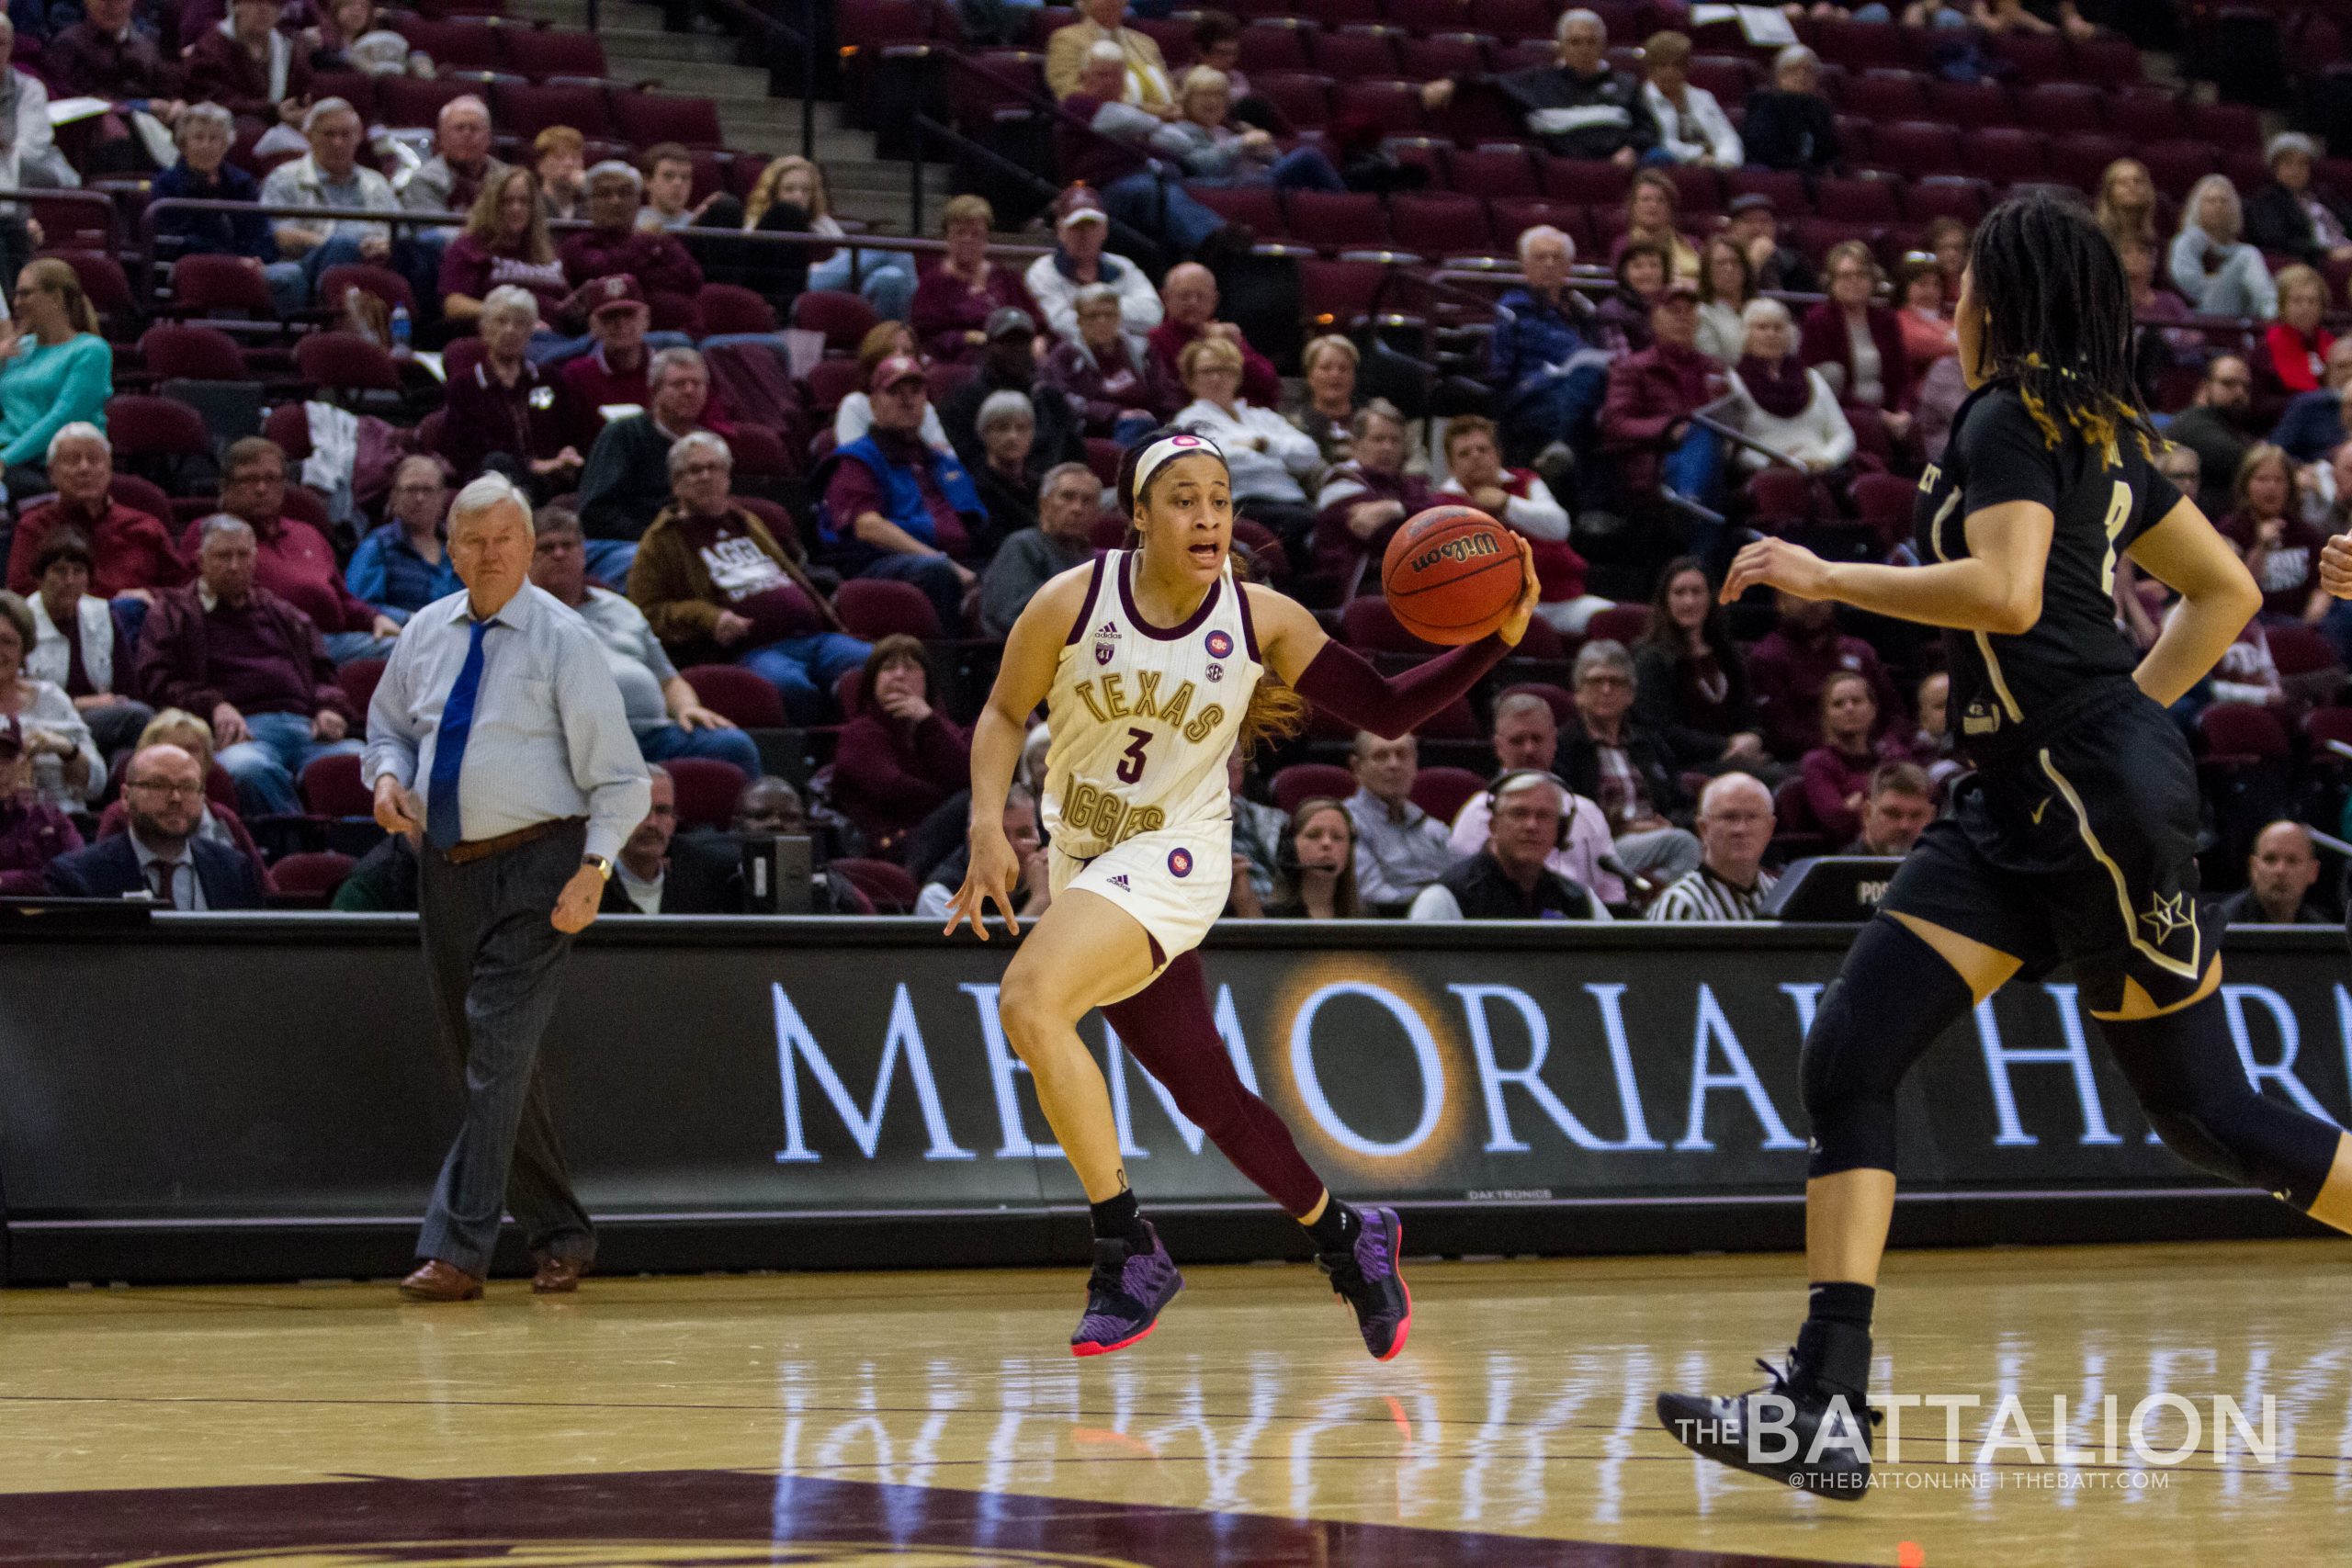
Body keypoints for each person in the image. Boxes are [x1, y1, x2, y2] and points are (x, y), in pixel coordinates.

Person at [1657, 194, 2349, 1498]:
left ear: (2003, 301)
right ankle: (1826, 1395)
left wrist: (1828, 574)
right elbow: (2228, 591)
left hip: (2084, 796)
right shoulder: (2093, 424)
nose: (1955, 300)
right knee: (1851, 1050)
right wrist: (2135, 708)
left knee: (2212, 1114)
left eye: (1967, 280)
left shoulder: (2006, 416)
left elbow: (2010, 590)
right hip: (2024, 791)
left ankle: (1826, 1391)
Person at [942, 424, 1544, 1359]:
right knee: (1209, 1094)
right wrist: (987, 818)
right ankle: (1348, 1238)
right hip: (1088, 862)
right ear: (1138, 516)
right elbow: (1001, 711)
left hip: (1179, 858)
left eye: (1220, 500)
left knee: (1028, 1001)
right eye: (1183, 499)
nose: (1208, 516)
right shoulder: (1071, 600)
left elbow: (1385, 707)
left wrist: (1491, 643)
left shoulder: (1263, 618)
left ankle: (1124, 1247)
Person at [365, 473, 650, 1303]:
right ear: (449, 549)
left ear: (530, 547)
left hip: (542, 864)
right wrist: (385, 776)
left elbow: (623, 781)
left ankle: (458, 1248)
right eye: (472, 541)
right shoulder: (422, 631)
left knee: (494, 1050)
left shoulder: (565, 640)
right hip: (443, 867)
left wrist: (594, 872)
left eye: (504, 540)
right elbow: (386, 727)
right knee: (487, 1062)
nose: (489, 555)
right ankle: (561, 1231)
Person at [628, 432, 869, 723]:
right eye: (694, 470)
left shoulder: (746, 521)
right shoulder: (660, 541)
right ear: (676, 483)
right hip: (752, 652)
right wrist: (709, 617)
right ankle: (815, 759)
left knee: (879, 665)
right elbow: (647, 612)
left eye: (713, 467)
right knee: (791, 688)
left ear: (728, 477)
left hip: (813, 638)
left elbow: (790, 573)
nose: (705, 476)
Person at [134, 514, 362, 817]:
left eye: (242, 556)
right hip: (241, 731)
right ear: (200, 560)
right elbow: (156, 680)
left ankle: (351, 857)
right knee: (246, 769)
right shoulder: (174, 612)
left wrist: (329, 707)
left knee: (363, 760)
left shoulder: (283, 614)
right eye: (223, 556)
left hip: (306, 727)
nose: (234, 565)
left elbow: (325, 674)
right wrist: (214, 705)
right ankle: (299, 850)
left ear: (255, 560)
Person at [525, 506, 758, 775]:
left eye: (568, 545)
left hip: (653, 735)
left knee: (734, 747)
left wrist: (687, 707)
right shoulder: (516, 617)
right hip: (575, 742)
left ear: (583, 552)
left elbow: (669, 679)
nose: (559, 554)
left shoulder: (621, 608)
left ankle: (752, 817)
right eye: (546, 548)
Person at [190, 436, 401, 662]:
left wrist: (373, 619)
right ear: (226, 487)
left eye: (271, 479)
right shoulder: (210, 534)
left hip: (333, 640)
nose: (261, 489)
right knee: (399, 653)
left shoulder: (308, 534)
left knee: (419, 640)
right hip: (264, 646)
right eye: (249, 479)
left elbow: (343, 598)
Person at [816, 355, 982, 633]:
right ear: (873, 403)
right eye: (894, 392)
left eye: (916, 392)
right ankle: (946, 666)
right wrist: (943, 561)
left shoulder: (937, 459)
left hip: (952, 557)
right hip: (882, 564)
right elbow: (868, 527)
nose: (908, 400)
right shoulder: (858, 458)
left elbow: (973, 522)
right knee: (937, 574)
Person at [1435, 414, 1611, 635]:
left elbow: (1559, 527)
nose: (1476, 457)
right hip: (1500, 610)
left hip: (1563, 600)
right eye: (1464, 453)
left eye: (1483, 449)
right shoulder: (1443, 504)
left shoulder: (1526, 480)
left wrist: (1507, 503)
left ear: (1498, 454)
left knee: (1619, 620)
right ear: (1451, 467)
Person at [1555, 638, 1702, 891]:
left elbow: (1680, 801)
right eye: (1595, 681)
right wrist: (1626, 826)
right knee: (1684, 846)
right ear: (1578, 693)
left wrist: (1668, 822)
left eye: (1616, 682)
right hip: (1599, 847)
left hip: (1657, 838)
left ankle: (1643, 896)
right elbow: (1568, 815)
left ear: (1631, 694)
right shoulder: (1566, 746)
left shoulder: (1648, 743)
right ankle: (1652, 903)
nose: (1606, 689)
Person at [44, 741, 263, 907]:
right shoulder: (79, 877)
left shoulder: (234, 870)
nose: (176, 798)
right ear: (126, 797)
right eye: (158, 785)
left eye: (188, 786)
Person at [574, 346, 714, 584]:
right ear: (655, 392)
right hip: (622, 545)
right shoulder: (623, 434)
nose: (689, 391)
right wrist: (660, 540)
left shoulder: (706, 443)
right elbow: (595, 511)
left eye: (696, 384)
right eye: (679, 384)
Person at [1171, 335, 1322, 551]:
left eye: (1225, 370)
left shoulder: (1262, 417)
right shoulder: (1188, 420)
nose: (1217, 378)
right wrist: (1279, 457)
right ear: (1190, 379)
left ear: (1237, 376)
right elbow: (1222, 461)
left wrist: (1262, 445)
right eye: (1207, 371)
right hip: (1243, 504)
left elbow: (1309, 454)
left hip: (1292, 498)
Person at [6, 423, 187, 600]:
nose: (84, 468)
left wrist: (149, 596)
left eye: (94, 459)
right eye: (72, 460)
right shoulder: (35, 527)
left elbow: (182, 591)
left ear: (109, 468)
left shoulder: (146, 527)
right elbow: (21, 596)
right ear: (52, 474)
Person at [258, 98, 402, 317]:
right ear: (309, 136)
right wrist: (333, 243)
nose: (337, 142)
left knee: (423, 246)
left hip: (374, 262)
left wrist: (386, 244)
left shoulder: (376, 182)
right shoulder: (284, 178)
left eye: (345, 135)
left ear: (358, 137)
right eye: (328, 134)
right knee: (342, 244)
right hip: (309, 262)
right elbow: (277, 233)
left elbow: (399, 231)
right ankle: (331, 323)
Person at [832, 634, 968, 859]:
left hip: (948, 840)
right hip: (891, 844)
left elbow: (965, 774)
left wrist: (927, 723)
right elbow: (893, 789)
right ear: (872, 681)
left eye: (911, 667)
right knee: (970, 801)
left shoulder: (940, 726)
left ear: (927, 681)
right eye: (888, 668)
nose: (899, 675)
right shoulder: (859, 734)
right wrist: (949, 798)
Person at [1600, 279, 1727, 517]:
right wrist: (1671, 427)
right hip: (1657, 457)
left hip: (1718, 453)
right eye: (1674, 311)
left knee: (1713, 434)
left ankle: (1693, 509)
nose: (1683, 317)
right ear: (1654, 320)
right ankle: (1690, 507)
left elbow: (1728, 414)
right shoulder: (1633, 368)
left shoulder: (1714, 368)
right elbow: (1616, 423)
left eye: (1689, 311)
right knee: (1702, 431)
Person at [1489, 225, 1612, 468]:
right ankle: (1558, 445)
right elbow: (1501, 368)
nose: (1549, 263)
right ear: (1524, 265)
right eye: (1540, 257)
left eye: (1557, 258)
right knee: (1587, 369)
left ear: (1568, 267)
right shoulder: (1513, 308)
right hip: (1533, 390)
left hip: (1582, 388)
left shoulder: (1581, 310)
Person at [1410, 770, 1604, 919]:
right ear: (1493, 827)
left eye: (1544, 816)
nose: (1531, 825)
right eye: (1519, 814)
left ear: (1559, 830)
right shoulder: (1447, 898)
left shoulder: (1577, 899)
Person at [23, 530, 151, 755]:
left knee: (126, 757)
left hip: (103, 721)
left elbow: (128, 688)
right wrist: (84, 703)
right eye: (59, 571)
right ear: (40, 577)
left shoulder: (103, 615)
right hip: (46, 724)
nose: (70, 581)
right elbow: (21, 695)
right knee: (139, 718)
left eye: (78, 571)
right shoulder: (23, 620)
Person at [1633, 555, 1765, 772]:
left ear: (1711, 598)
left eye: (1697, 592)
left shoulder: (1728, 653)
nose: (1689, 602)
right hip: (1684, 767)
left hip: (1736, 758)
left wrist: (1754, 737)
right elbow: (1661, 731)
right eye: (1679, 593)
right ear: (1665, 600)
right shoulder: (1651, 659)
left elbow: (1748, 714)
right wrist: (1727, 746)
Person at [745, 155, 915, 320]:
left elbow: (841, 258)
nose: (798, 196)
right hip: (801, 289)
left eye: (806, 190)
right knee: (895, 250)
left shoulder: (823, 224)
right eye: (789, 189)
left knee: (892, 277)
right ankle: (909, 334)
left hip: (839, 286)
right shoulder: (762, 224)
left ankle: (887, 343)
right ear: (773, 193)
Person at [0, 258, 111, 498]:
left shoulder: (91, 351)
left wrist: (4, 460)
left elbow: (61, 418)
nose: (16, 303)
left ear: (56, 298)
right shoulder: (18, 349)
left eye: (26, 294)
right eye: (16, 295)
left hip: (48, 464)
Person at [1748, 591, 1900, 761]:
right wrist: (1844, 750)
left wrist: (1889, 745)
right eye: (1800, 594)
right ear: (1780, 602)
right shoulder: (1768, 656)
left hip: (1874, 754)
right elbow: (1781, 730)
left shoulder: (1860, 651)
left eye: (1820, 592)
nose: (1812, 602)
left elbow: (1894, 714)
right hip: (1807, 760)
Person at [1497, 8, 1656, 168]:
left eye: (1591, 41)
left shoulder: (1625, 84)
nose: (1584, 49)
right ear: (1560, 46)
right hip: (1559, 172)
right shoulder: (1535, 82)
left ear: (1603, 45)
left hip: (1616, 170)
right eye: (1575, 42)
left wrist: (1632, 149)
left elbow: (1647, 129)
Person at [942, 307, 1086, 484]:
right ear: (989, 346)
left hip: (1056, 493)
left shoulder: (1050, 398)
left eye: (1023, 341)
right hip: (997, 495)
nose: (1017, 349)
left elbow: (1075, 456)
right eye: (1007, 342)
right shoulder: (964, 401)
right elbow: (966, 463)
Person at [1148, 67, 1345, 193]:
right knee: (1307, 156)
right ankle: (1351, 207)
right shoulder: (1179, 131)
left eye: (1219, 95)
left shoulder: (1227, 130)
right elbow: (1202, 167)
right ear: (1188, 100)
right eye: (1205, 95)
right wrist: (1242, 143)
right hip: (1231, 189)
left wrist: (1268, 152)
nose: (1213, 102)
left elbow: (1276, 161)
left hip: (1257, 183)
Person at [1726, 299, 1856, 479]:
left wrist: (1826, 460)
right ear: (1746, 335)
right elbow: (1735, 449)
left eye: (1778, 328)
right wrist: (1775, 463)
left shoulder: (1812, 378)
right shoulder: (1732, 381)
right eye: (1762, 327)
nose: (1771, 334)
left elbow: (1843, 433)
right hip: (1769, 477)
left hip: (1823, 471)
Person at [1803, 243, 1913, 447]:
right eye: (1845, 275)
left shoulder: (1885, 319)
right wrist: (1879, 416)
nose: (1854, 281)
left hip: (1889, 412)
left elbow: (1902, 377)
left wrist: (1903, 411)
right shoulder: (1818, 320)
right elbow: (1825, 386)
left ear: (1872, 280)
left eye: (1861, 275)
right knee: (1869, 428)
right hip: (1843, 411)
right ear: (1831, 281)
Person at [909, 196, 1041, 367]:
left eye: (976, 234)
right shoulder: (932, 283)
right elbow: (924, 338)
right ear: (947, 237)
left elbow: (1035, 322)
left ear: (986, 238)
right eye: (960, 232)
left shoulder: (1005, 277)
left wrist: (1040, 340)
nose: (968, 239)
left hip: (1011, 359)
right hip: (955, 364)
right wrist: (966, 338)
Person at [1043, 282, 1180, 444]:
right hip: (1093, 431)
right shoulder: (1065, 356)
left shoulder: (1141, 350)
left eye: (1109, 314)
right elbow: (1065, 400)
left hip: (1146, 425)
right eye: (1093, 316)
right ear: (1079, 321)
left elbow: (1163, 393)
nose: (1102, 321)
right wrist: (1116, 414)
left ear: (1119, 317)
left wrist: (1173, 422)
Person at [1312, 400, 1430, 589]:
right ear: (1355, 445)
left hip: (1403, 581)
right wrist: (1410, 512)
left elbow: (1435, 519)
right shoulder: (1339, 481)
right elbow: (1376, 532)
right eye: (1378, 439)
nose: (1387, 447)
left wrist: (1396, 509)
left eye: (1395, 440)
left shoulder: (1409, 484)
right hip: (1352, 592)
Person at [0, 589, 100, 808]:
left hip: (62, 824)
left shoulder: (51, 698)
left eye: (6, 641)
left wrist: (66, 750)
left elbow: (96, 785)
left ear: (24, 648)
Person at [1025, 186, 1162, 344]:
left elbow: (1153, 314)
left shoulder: (1124, 267)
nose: (1085, 235)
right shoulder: (1042, 271)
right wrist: (1117, 316)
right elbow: (1059, 324)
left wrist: (1091, 311)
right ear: (1060, 231)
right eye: (1076, 227)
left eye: (1092, 226)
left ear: (1104, 230)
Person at [558, 161, 703, 309]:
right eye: (604, 194)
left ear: (638, 201)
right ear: (588, 203)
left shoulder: (660, 242)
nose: (615, 201)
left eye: (624, 193)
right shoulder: (576, 246)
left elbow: (692, 280)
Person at [438, 167, 568, 331]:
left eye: (524, 201)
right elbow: (454, 305)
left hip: (555, 337)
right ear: (491, 206)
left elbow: (564, 300)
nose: (516, 208)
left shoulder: (548, 250)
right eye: (507, 201)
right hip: (502, 336)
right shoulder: (468, 248)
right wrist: (510, 314)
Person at [151, 103, 275, 269]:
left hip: (251, 268)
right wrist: (233, 262)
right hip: (197, 269)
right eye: (198, 138)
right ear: (183, 145)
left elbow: (261, 233)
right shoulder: (166, 185)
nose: (206, 146)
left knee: (290, 274)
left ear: (225, 144)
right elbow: (176, 242)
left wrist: (257, 259)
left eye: (214, 138)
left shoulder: (243, 182)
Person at [980, 462, 1097, 639]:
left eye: (1087, 501)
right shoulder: (1023, 545)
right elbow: (1010, 617)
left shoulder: (1088, 558)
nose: (1077, 508)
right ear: (1044, 503)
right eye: (1067, 497)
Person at [1341, 730, 1454, 910]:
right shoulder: (1345, 823)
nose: (1394, 764)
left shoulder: (1432, 828)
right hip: (1386, 929)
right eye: (1381, 756)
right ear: (1356, 768)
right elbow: (1374, 896)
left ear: (1415, 763)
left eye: (1402, 755)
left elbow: (1461, 884)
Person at [2219, 444, 2328, 625]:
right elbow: (2238, 593)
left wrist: (2314, 613)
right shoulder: (2230, 531)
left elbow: (2321, 585)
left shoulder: (2305, 533)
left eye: (2279, 480)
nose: (2271, 488)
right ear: (2246, 484)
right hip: (2250, 623)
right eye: (2262, 480)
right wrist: (2261, 547)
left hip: (2299, 624)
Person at [1148, 262, 1280, 410]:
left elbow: (1270, 384)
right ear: (1165, 298)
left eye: (1201, 296)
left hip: (1246, 417)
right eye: (1184, 296)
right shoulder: (1156, 339)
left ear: (1214, 300)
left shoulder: (1226, 334)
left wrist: (1234, 348)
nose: (1193, 303)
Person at [1645, 772, 1775, 920]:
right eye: (1729, 817)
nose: (1741, 829)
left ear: (1770, 828)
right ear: (1703, 828)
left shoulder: (1782, 894)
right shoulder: (1680, 905)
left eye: (1752, 817)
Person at [915, 784, 1051, 922]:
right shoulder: (940, 896)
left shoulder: (1053, 881)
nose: (1011, 847)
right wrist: (1040, 902)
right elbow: (988, 945)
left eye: (1024, 834)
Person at [346, 457, 461, 619]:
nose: (420, 498)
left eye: (428, 490)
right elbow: (359, 607)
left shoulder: (459, 549)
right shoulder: (377, 546)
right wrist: (411, 620)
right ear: (395, 497)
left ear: (442, 497)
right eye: (411, 489)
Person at [1795, 669, 1894, 845]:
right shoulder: (1817, 763)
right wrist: (1878, 798)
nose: (1849, 708)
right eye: (1838, 704)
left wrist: (1859, 799)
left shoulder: (1891, 757)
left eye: (1856, 701)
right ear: (1826, 716)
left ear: (1873, 710)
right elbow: (1837, 820)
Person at [184, 0, 311, 134]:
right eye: (255, 3)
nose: (264, 10)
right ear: (236, 6)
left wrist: (299, 108)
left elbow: (304, 88)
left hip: (284, 127)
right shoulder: (210, 49)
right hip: (228, 131)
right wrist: (272, 111)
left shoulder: (286, 49)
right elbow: (214, 101)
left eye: (273, 4)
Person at [2170, 175, 2278, 321]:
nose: (2218, 206)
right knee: (2248, 254)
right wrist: (2220, 283)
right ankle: (2273, 314)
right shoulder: (2187, 241)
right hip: (2199, 312)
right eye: (2211, 201)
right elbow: (2187, 286)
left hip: (2240, 312)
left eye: (2224, 201)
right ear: (2197, 207)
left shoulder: (2237, 249)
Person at [2164, 355, 2256, 519]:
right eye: (2228, 383)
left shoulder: (2233, 427)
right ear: (2205, 387)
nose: (2239, 392)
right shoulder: (2193, 423)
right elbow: (2239, 458)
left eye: (2246, 387)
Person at [2245, 133, 2352, 274]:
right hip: (2316, 261)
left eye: (2302, 163)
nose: (2296, 170)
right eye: (2289, 164)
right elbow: (2278, 241)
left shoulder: (2324, 194)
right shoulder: (2264, 201)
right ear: (2274, 168)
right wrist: (2327, 253)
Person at [1043, 0, 1173, 109]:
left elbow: (1173, 93)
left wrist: (1180, 110)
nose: (1113, 1)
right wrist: (1153, 112)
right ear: (1084, 3)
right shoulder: (1066, 39)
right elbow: (1070, 95)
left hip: (1172, 123)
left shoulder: (1146, 43)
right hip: (1112, 129)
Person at [0, 717, 81, 893]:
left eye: (6, 758)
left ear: (21, 764)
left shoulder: (48, 816)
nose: (0, 769)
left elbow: (78, 870)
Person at [1247, 796, 1362, 919]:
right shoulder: (1272, 918)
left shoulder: (1367, 918)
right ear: (1290, 847)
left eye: (1337, 837)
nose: (1327, 843)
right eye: (1313, 835)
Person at [400, 96, 507, 226]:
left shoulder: (507, 179)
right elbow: (431, 236)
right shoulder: (424, 180)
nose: (467, 134)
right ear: (441, 137)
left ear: (489, 137)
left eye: (474, 128)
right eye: (459, 128)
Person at [1641, 30, 1739, 168]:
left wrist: (1726, 161)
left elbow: (1727, 136)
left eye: (1677, 65)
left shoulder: (1703, 97)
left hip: (1714, 165)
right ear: (1650, 67)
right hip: (1673, 164)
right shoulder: (1641, 98)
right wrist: (1698, 157)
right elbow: (1660, 141)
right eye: (1662, 65)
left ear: (1687, 67)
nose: (1669, 72)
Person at [1741, 45, 1839, 175]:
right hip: (1776, 174)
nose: (1801, 76)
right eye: (1793, 70)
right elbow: (1764, 150)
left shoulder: (1819, 108)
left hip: (1810, 175)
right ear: (1778, 76)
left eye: (1808, 71)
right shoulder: (1765, 103)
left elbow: (1830, 152)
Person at [2216, 819, 2329, 925]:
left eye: (2292, 861)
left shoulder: (2322, 929)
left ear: (2313, 871)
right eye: (2270, 859)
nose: (2280, 870)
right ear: (2253, 868)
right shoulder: (2223, 927)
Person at [2268, 340, 2352, 463]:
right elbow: (2276, 452)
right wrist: (2299, 471)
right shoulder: (2306, 405)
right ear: (2328, 371)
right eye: (2342, 366)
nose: (2349, 372)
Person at [1612, 170, 1700, 284]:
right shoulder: (1623, 246)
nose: (1653, 205)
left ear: (1670, 208)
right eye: (1646, 200)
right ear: (1633, 207)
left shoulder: (1693, 244)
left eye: (1661, 200)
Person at [1724, 193, 1818, 296]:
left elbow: (1810, 301)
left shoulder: (1795, 261)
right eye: (1748, 221)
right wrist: (1755, 262)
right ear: (1732, 229)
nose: (1757, 228)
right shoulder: (1720, 260)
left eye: (1765, 221)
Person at [1290, 334, 1361, 466]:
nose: (1335, 374)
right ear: (1310, 376)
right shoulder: (1295, 426)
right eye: (1326, 368)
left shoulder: (1370, 422)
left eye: (1343, 369)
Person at [2266, 265, 2335, 397]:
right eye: (2297, 301)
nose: (2305, 308)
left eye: (2312, 301)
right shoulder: (2266, 347)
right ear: (2282, 306)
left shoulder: (2332, 344)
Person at [1847, 759, 1936, 857]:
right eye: (1893, 814)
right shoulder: (1838, 870)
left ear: (1931, 817)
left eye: (1916, 815)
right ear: (1867, 814)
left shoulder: (1943, 869)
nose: (1905, 826)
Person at [1893, 254, 1957, 385]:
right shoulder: (1900, 319)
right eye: (1923, 284)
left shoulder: (1950, 320)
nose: (1931, 291)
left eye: (1936, 285)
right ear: (1906, 288)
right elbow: (1917, 344)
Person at [1693, 235, 1753, 367]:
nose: (1729, 269)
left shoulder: (1763, 309)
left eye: (1735, 262)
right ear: (1707, 270)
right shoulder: (1701, 314)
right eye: (1721, 263)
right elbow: (1712, 364)